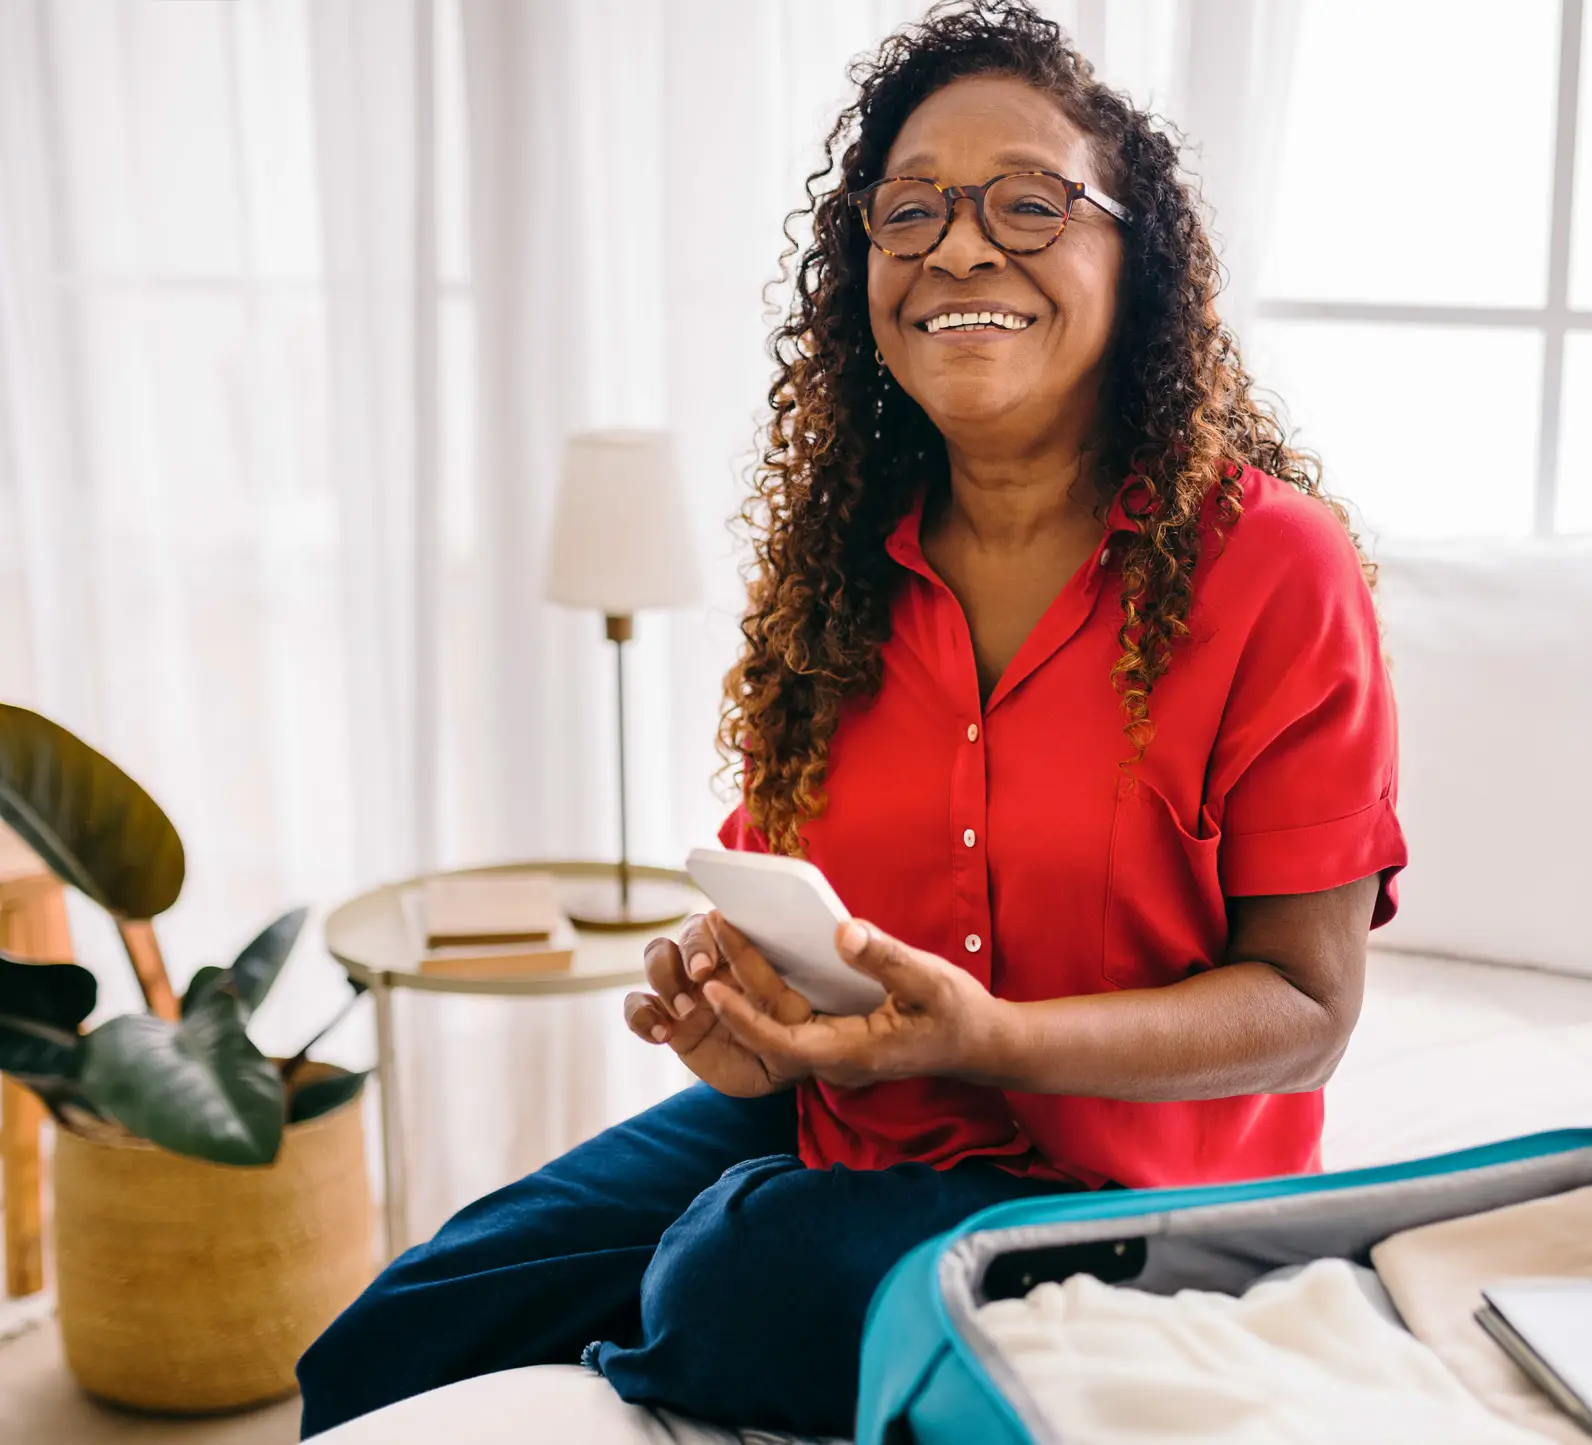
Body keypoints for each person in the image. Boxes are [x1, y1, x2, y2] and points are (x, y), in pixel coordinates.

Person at [296, 1, 1405, 1437]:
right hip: (848, 1119)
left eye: (1028, 202)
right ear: (864, 266)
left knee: (738, 1273)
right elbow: (802, 921)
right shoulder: (835, 562)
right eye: (910, 210)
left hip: (1144, 1195)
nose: (957, 247)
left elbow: (1308, 1012)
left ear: (1138, 259)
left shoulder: (1272, 564)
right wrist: (741, 1012)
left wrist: (992, 1037)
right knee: (386, 1340)